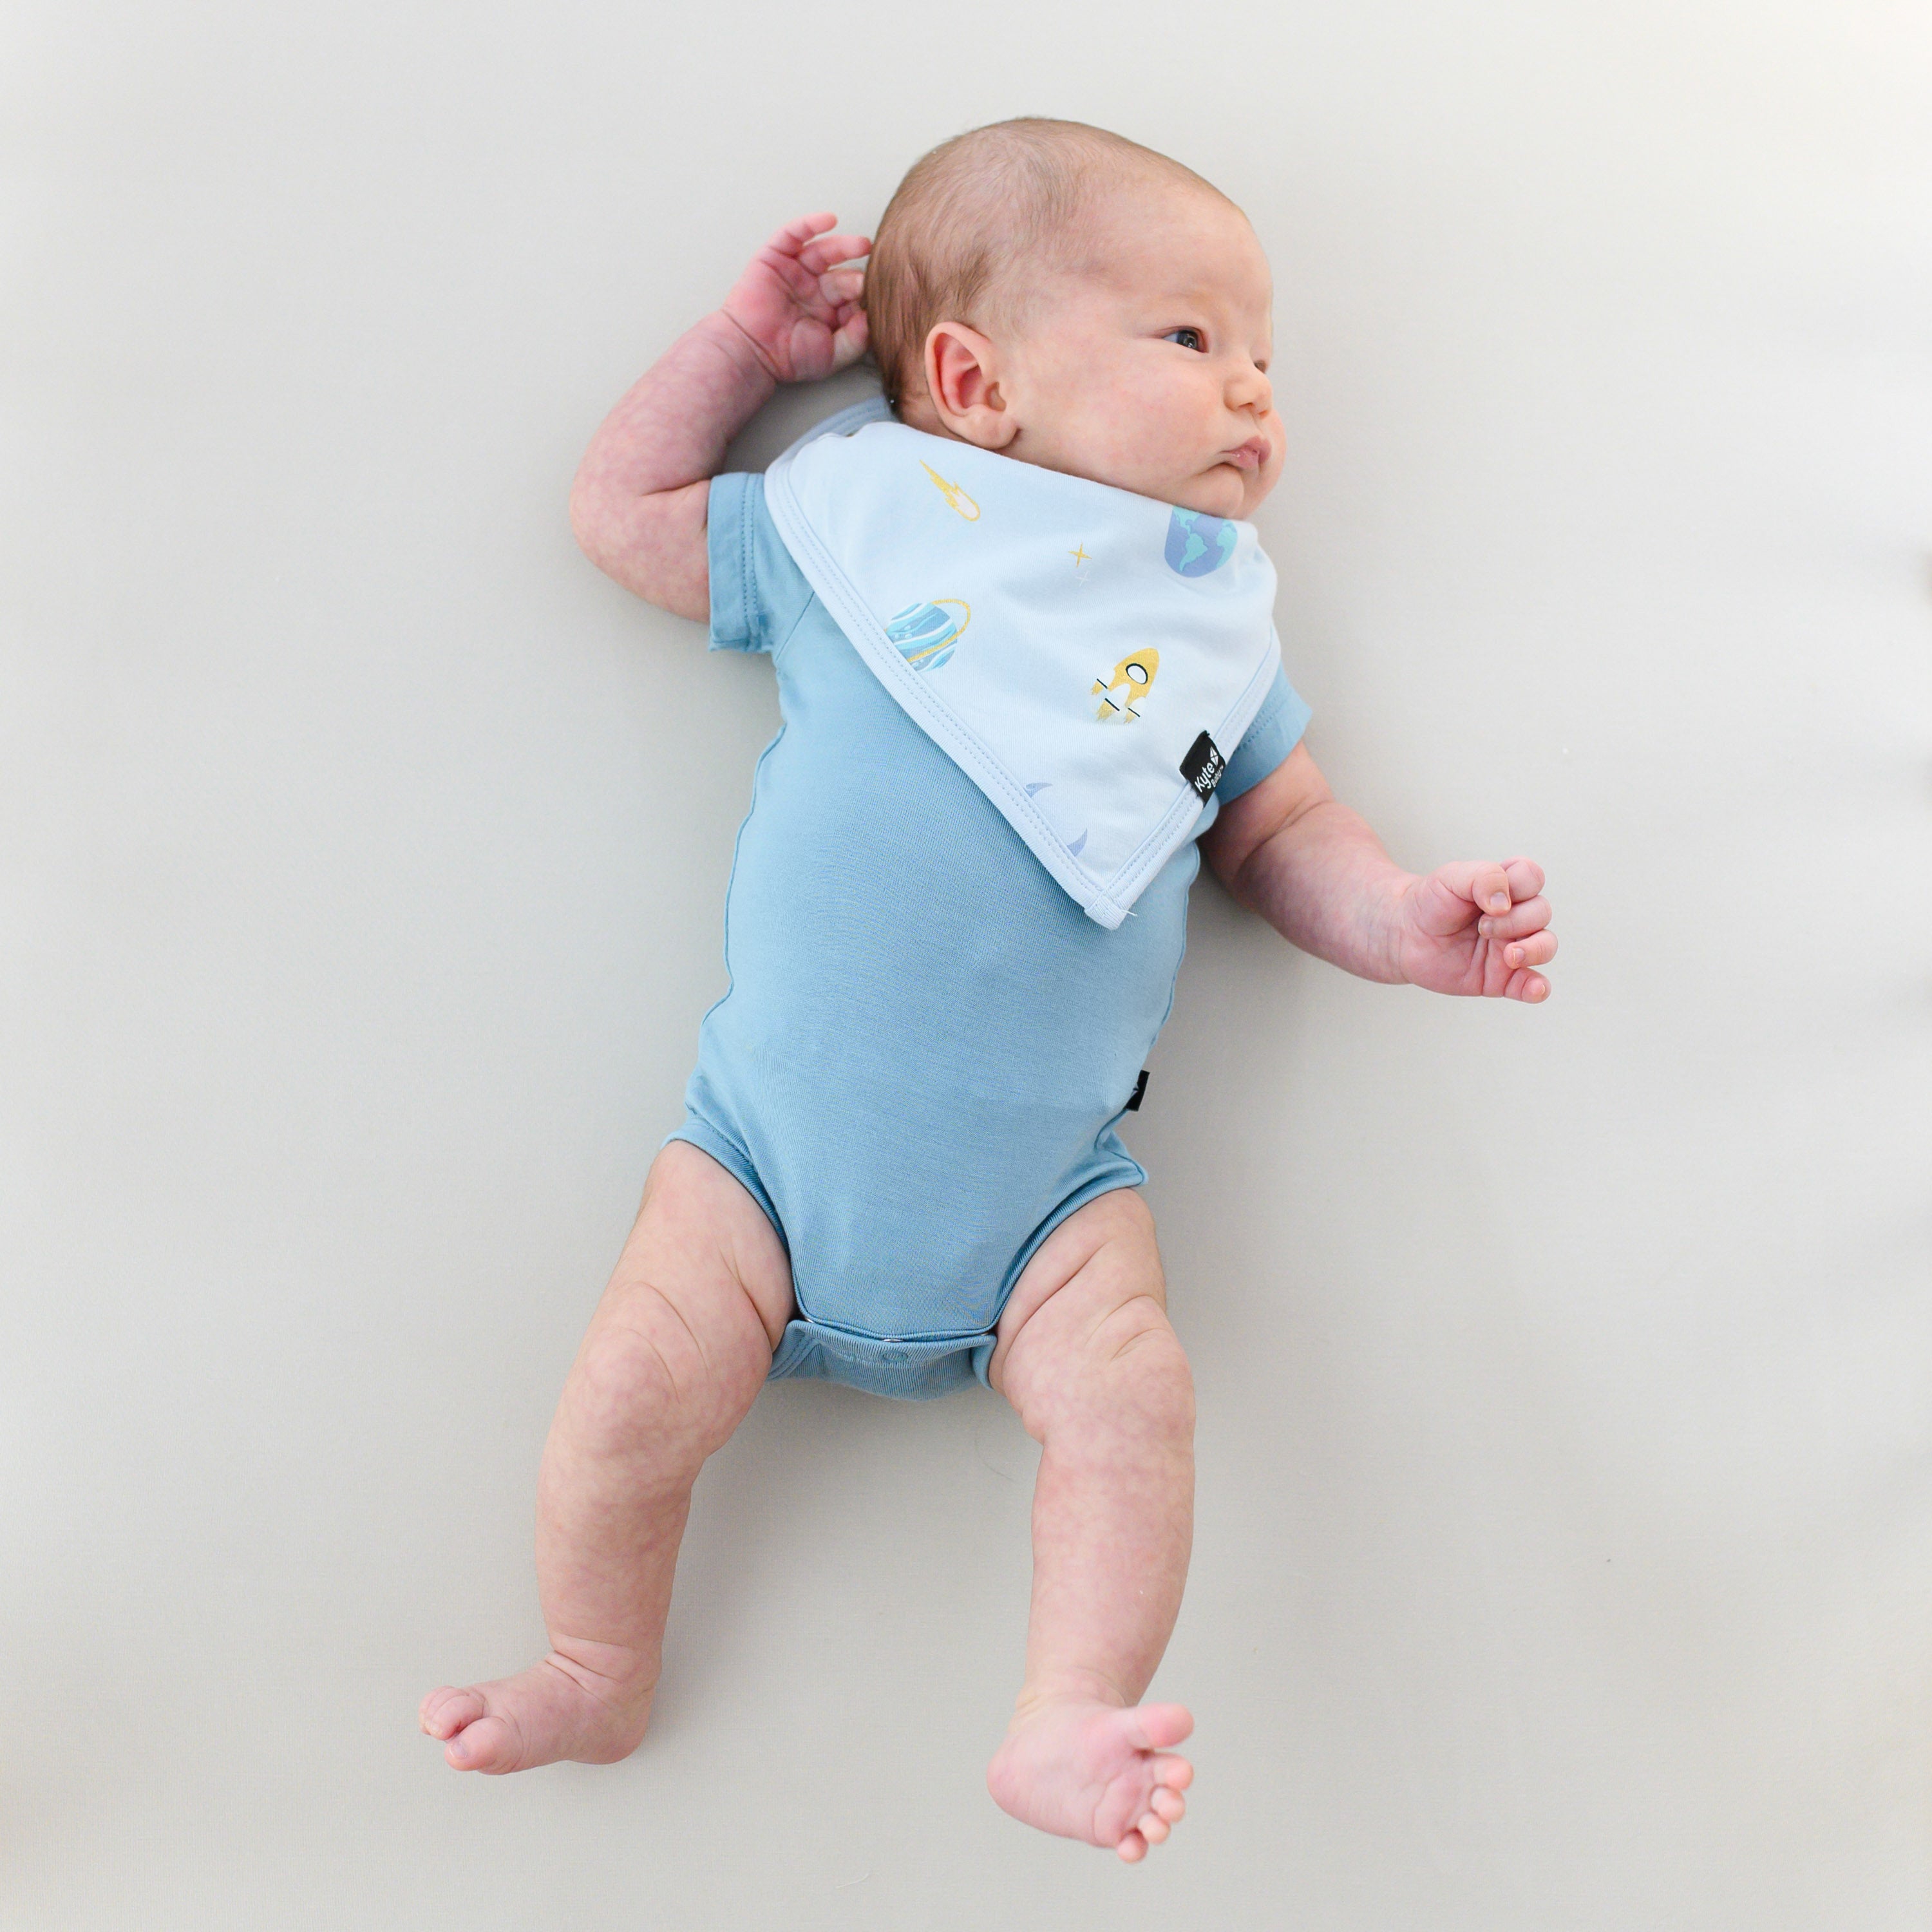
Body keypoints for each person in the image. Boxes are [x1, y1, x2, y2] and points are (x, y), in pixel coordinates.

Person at [420, 117, 1557, 1862]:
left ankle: (1066, 1710)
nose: (1254, 387)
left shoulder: (1212, 633)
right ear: (970, 376)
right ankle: (595, 1657)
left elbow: (1283, 832)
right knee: (632, 1394)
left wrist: (1408, 921)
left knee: (1133, 1402)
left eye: (1264, 353)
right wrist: (736, 356)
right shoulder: (854, 536)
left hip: (1053, 1217)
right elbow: (620, 513)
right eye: (1192, 339)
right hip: (760, 1173)